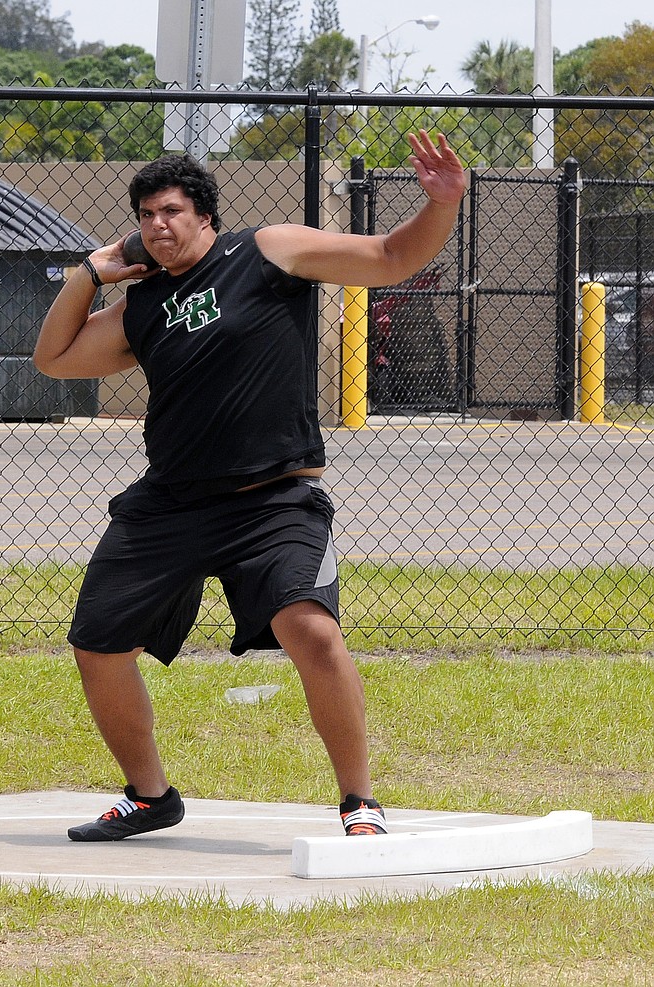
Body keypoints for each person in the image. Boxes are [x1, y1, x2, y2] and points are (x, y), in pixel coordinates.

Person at [34, 131, 465, 842]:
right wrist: (89, 272)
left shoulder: (268, 251)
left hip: (274, 499)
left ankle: (360, 801)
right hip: (171, 503)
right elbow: (53, 358)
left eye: (169, 210)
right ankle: (150, 797)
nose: (156, 226)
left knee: (312, 631)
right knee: (97, 647)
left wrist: (442, 204)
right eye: (144, 215)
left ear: (205, 215)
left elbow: (392, 257)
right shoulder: (143, 305)